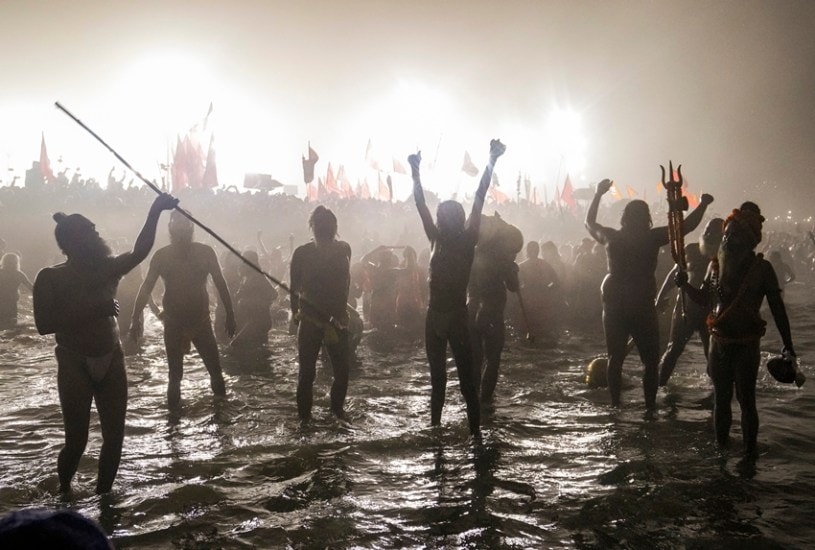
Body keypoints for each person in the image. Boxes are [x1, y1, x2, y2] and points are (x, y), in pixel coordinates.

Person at [33, 193, 178, 494]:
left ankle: (103, 498)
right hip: (74, 360)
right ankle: (65, 491)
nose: (97, 234)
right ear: (74, 240)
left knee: (115, 438)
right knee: (77, 440)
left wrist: (155, 210)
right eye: (90, 230)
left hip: (111, 358)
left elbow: (140, 251)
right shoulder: (49, 278)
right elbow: (44, 325)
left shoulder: (108, 268)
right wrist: (94, 310)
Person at [678, 202, 797, 454]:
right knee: (721, 401)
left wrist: (788, 344)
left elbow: (777, 309)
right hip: (718, 342)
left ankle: (749, 457)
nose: (729, 240)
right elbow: (705, 300)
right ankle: (721, 454)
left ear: (750, 241)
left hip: (746, 344)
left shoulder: (762, 269)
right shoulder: (715, 266)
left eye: (736, 235)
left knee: (746, 401)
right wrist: (685, 286)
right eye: (727, 234)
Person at [585, 177, 712, 408]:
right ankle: (650, 409)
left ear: (624, 217)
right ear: (647, 219)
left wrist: (597, 194)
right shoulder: (651, 237)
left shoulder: (612, 238)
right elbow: (687, 227)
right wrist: (703, 204)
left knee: (615, 359)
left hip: (615, 304)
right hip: (641, 304)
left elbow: (589, 223)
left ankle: (615, 406)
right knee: (651, 362)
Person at [409, 139, 505, 437]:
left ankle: (475, 435)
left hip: (457, 318)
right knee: (437, 382)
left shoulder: (467, 240)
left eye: (448, 215)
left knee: (467, 384)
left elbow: (479, 195)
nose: (444, 218)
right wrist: (414, 172)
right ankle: (436, 432)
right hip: (434, 317)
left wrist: (492, 160)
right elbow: (420, 203)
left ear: (458, 220)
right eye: (443, 216)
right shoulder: (435, 237)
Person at [129, 210, 236, 409]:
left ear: (191, 227)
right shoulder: (161, 256)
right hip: (173, 323)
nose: (179, 227)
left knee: (215, 372)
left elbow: (221, 284)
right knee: (174, 376)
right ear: (170, 228)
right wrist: (135, 319)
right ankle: (173, 426)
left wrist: (230, 314)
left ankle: (222, 416)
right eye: (175, 223)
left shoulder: (205, 252)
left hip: (201, 321)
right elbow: (146, 288)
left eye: (183, 223)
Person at [289, 205, 352, 421]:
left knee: (342, 372)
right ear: (313, 228)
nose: (324, 229)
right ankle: (305, 421)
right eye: (319, 225)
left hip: (337, 320)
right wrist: (295, 316)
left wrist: (343, 313)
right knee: (307, 374)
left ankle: (337, 412)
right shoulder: (302, 253)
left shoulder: (344, 249)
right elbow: (293, 289)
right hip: (309, 320)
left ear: (334, 228)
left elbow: (346, 284)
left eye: (328, 225)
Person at [657, 218, 724, 386]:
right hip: (687, 309)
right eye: (707, 231)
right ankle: (658, 386)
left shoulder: (726, 256)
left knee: (713, 355)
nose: (709, 235)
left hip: (712, 311)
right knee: (673, 350)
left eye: (714, 233)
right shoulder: (691, 250)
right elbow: (674, 276)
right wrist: (660, 298)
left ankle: (714, 394)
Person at [468, 214, 521, 404]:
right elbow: (514, 287)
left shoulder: (472, 254)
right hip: (491, 312)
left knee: (475, 359)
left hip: (471, 310)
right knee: (492, 359)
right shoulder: (502, 260)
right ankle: (486, 402)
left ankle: (473, 400)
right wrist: (513, 270)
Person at [232, 249, 278, 347]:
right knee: (257, 348)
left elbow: (274, 294)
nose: (241, 263)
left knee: (235, 345)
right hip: (250, 319)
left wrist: (251, 302)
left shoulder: (258, 276)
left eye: (243, 260)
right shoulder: (247, 277)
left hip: (258, 320)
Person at [0, 252, 33, 329]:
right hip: (12, 301)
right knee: (12, 324)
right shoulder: (19, 274)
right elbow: (31, 287)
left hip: (1, 300)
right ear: (17, 262)